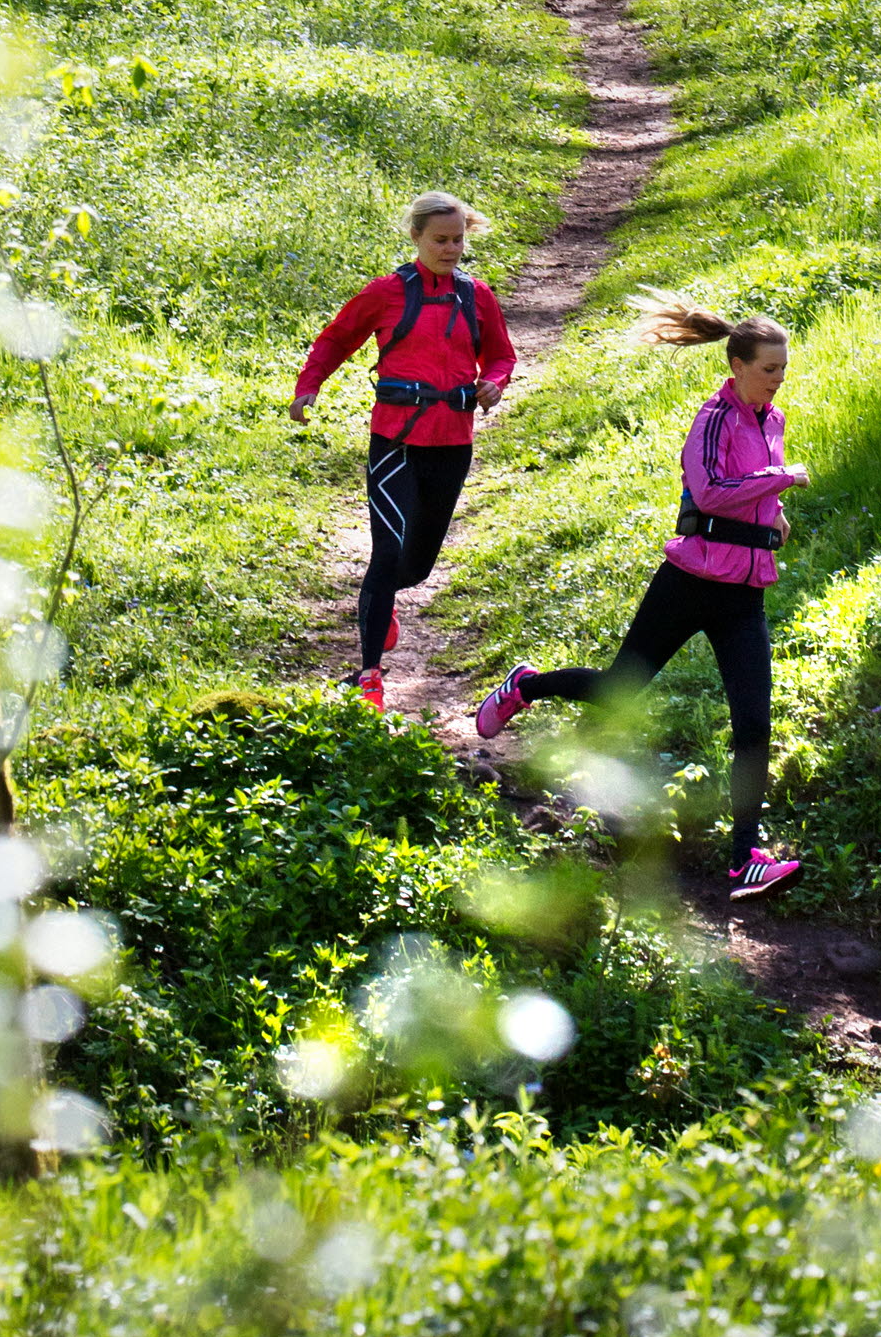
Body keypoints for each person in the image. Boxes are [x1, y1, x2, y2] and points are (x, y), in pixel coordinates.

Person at [474, 296, 809, 899]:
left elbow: (754, 492)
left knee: (754, 724)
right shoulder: (713, 418)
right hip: (690, 582)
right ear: (736, 365)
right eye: (768, 369)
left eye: (783, 369)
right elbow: (708, 494)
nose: (778, 379)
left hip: (744, 595)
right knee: (619, 688)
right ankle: (526, 685)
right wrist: (779, 480)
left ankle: (743, 858)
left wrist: (775, 516)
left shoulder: (773, 421)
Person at [292, 192, 516, 711]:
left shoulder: (476, 296)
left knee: (415, 568)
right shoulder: (387, 293)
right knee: (387, 554)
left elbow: (500, 354)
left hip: (453, 441)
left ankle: (385, 601)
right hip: (395, 439)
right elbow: (336, 339)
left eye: (459, 239)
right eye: (441, 239)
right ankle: (369, 675)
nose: (452, 249)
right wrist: (309, 386)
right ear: (416, 237)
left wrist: (496, 382)